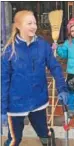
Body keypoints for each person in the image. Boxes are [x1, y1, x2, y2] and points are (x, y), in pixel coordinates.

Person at [1, 10, 69, 146]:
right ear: (19, 26)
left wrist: (62, 88)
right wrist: (2, 108)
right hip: (16, 105)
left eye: (35, 23)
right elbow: (3, 81)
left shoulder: (42, 45)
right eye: (29, 23)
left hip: (38, 101)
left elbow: (55, 66)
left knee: (44, 134)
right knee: (14, 139)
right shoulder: (9, 51)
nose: (34, 26)